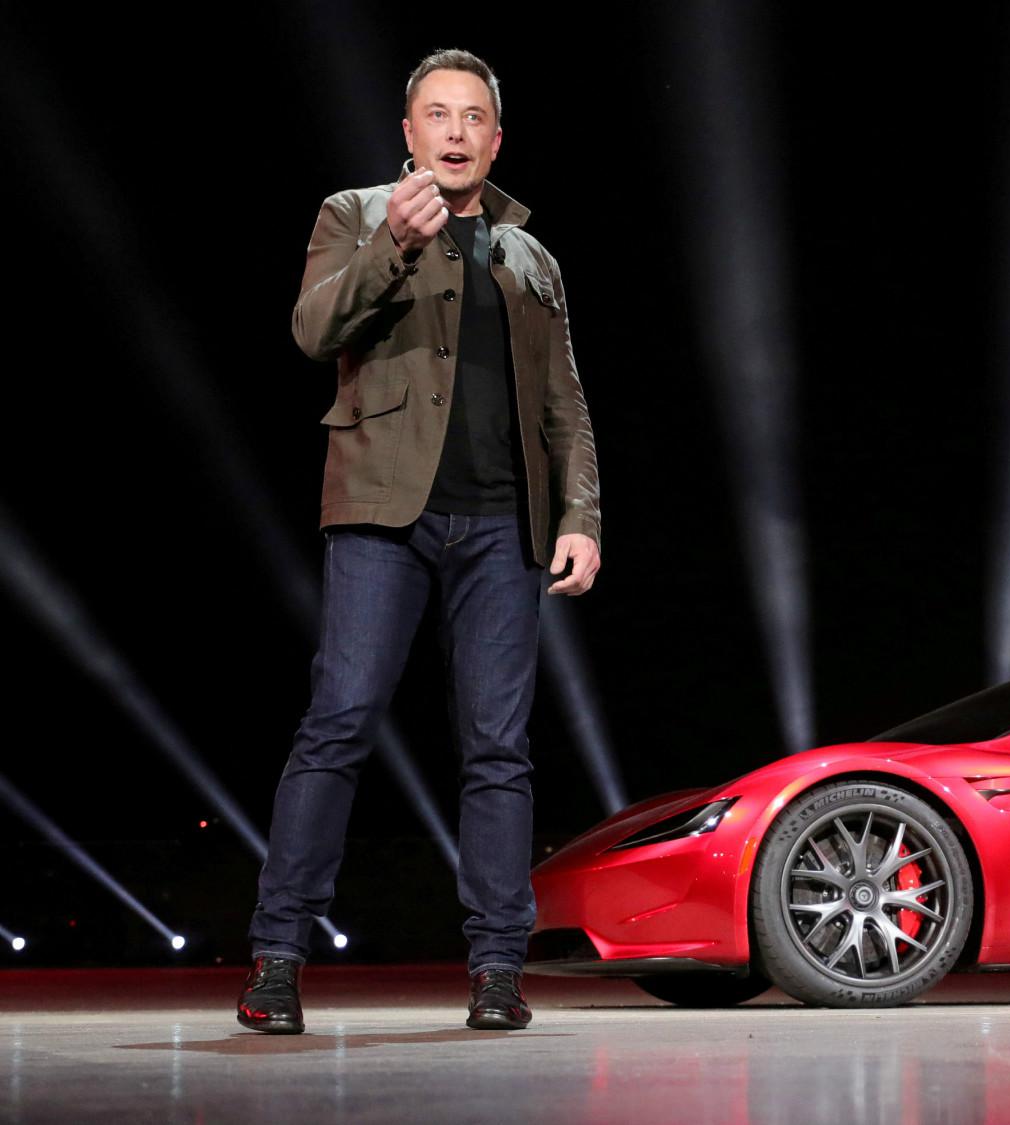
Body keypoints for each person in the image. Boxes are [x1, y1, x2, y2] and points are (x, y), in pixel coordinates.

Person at [235, 48, 602, 1035]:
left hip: (502, 524)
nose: (453, 131)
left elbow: (565, 403)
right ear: (407, 134)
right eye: (435, 114)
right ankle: (277, 958)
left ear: (493, 136)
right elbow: (314, 332)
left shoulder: (530, 256)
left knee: (496, 749)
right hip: (380, 511)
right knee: (341, 718)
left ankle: (495, 969)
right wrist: (392, 245)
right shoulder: (354, 214)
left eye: (471, 116)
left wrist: (579, 518)